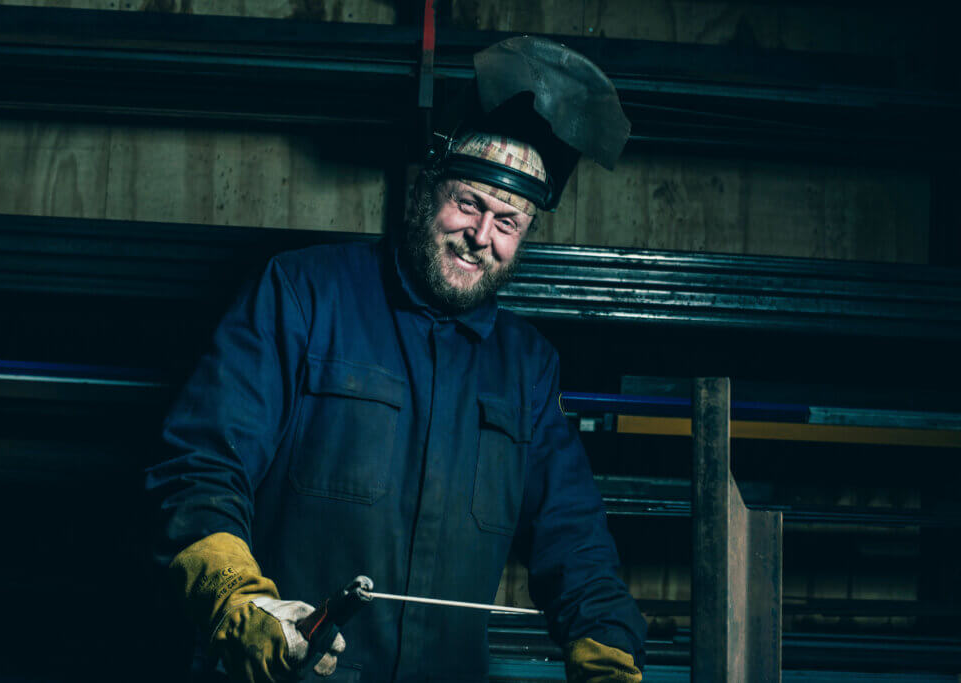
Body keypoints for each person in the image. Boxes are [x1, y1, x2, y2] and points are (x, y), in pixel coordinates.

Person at [145, 37, 646, 683]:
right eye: (469, 203)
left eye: (508, 222)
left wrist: (607, 649)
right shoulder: (302, 293)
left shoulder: (527, 366)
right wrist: (242, 603)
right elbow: (200, 466)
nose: (481, 236)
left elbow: (574, 537)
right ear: (426, 189)